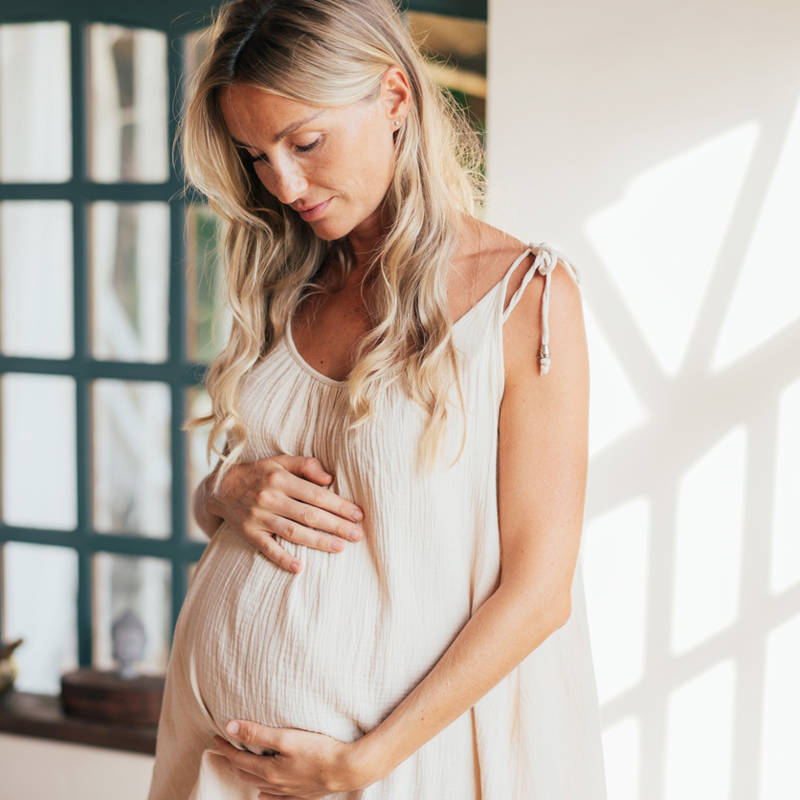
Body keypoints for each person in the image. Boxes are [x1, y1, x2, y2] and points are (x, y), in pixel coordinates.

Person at [147, 0, 607, 797]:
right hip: (215, 766)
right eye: (256, 155)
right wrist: (224, 491)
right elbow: (237, 503)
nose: (283, 183)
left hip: (389, 769)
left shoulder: (524, 298)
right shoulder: (288, 282)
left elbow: (540, 594)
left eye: (306, 141)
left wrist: (362, 762)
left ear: (394, 98)